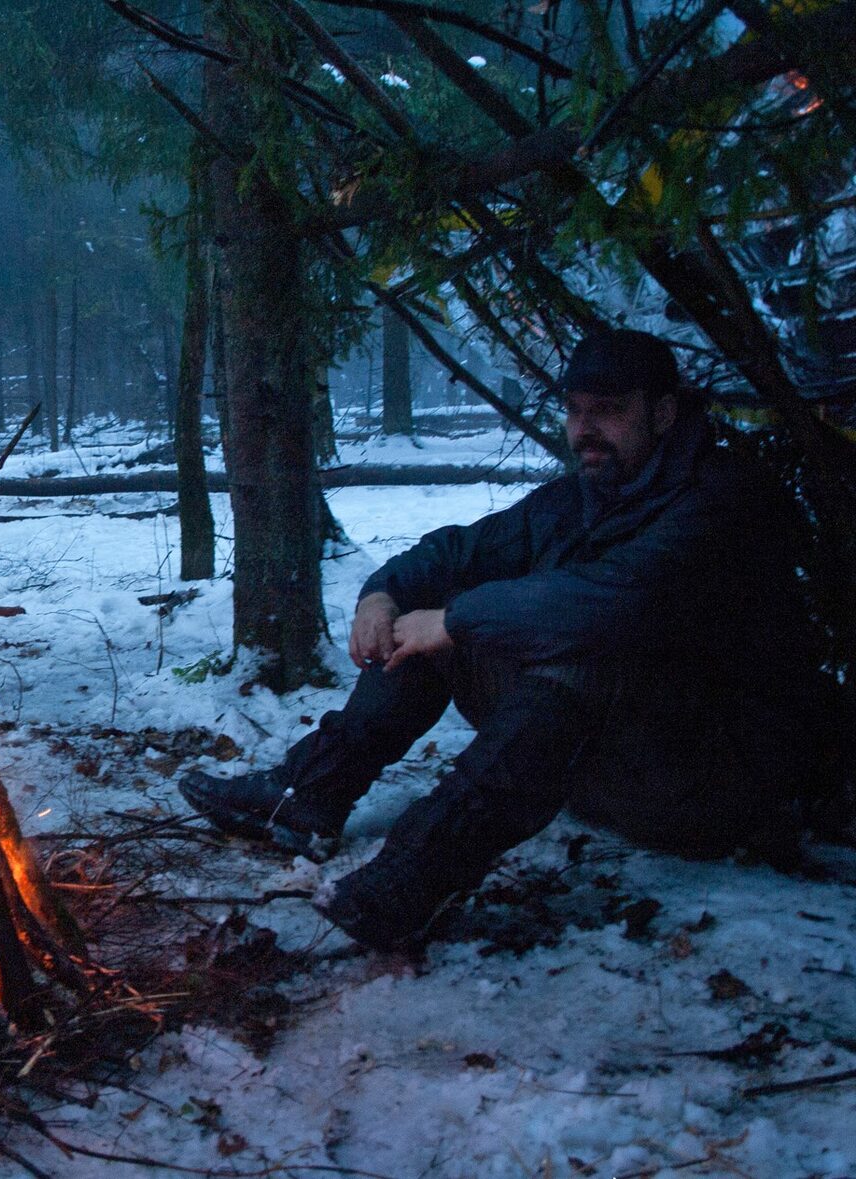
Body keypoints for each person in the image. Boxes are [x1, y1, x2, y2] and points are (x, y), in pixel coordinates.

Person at [181, 328, 835, 953]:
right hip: (617, 767)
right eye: (576, 411)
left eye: (607, 411)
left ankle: (414, 878)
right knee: (430, 623)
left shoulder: (722, 502)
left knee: (561, 650)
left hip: (713, 782)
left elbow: (609, 604)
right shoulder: (579, 498)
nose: (585, 429)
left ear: (663, 413)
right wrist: (382, 594)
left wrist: (456, 619)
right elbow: (458, 550)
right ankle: (307, 797)